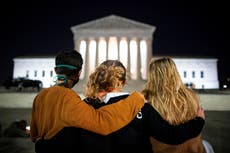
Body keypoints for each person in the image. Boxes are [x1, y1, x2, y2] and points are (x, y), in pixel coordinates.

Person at [76, 60, 205, 153]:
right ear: (124, 82)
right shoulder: (141, 107)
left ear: (98, 79)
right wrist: (198, 122)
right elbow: (171, 135)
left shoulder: (83, 106)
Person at [30, 50, 145, 153]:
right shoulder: (68, 98)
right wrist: (136, 99)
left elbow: (34, 135)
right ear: (79, 73)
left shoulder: (40, 97)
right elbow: (101, 122)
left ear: (55, 70)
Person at [142, 57, 214, 153]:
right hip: (192, 149)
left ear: (152, 75)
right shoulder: (190, 96)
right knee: (207, 146)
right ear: (174, 72)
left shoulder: (144, 99)